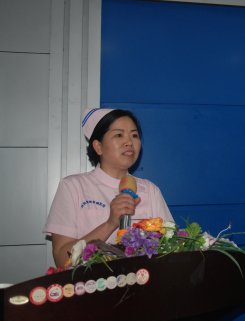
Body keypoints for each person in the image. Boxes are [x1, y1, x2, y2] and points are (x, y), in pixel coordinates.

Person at [44, 108, 174, 267]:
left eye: (134, 135)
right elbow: (61, 259)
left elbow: (170, 248)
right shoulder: (72, 187)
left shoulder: (150, 190)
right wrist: (110, 223)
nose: (129, 142)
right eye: (119, 135)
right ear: (98, 146)